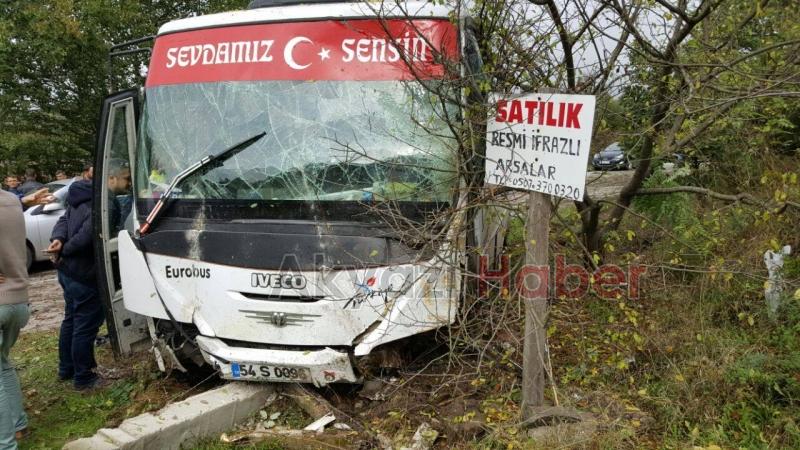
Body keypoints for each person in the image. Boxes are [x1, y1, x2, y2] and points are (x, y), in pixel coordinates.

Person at [47, 180, 106, 390]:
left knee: (71, 320)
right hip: (83, 276)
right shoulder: (96, 206)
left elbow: (62, 222)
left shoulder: (74, 201)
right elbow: (85, 238)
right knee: (85, 327)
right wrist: (63, 248)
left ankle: (66, 369)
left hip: (67, 272)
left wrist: (58, 240)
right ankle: (84, 377)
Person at [0, 189, 31, 448]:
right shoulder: (11, 201)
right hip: (19, 301)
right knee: (3, 364)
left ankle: (6, 443)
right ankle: (18, 425)